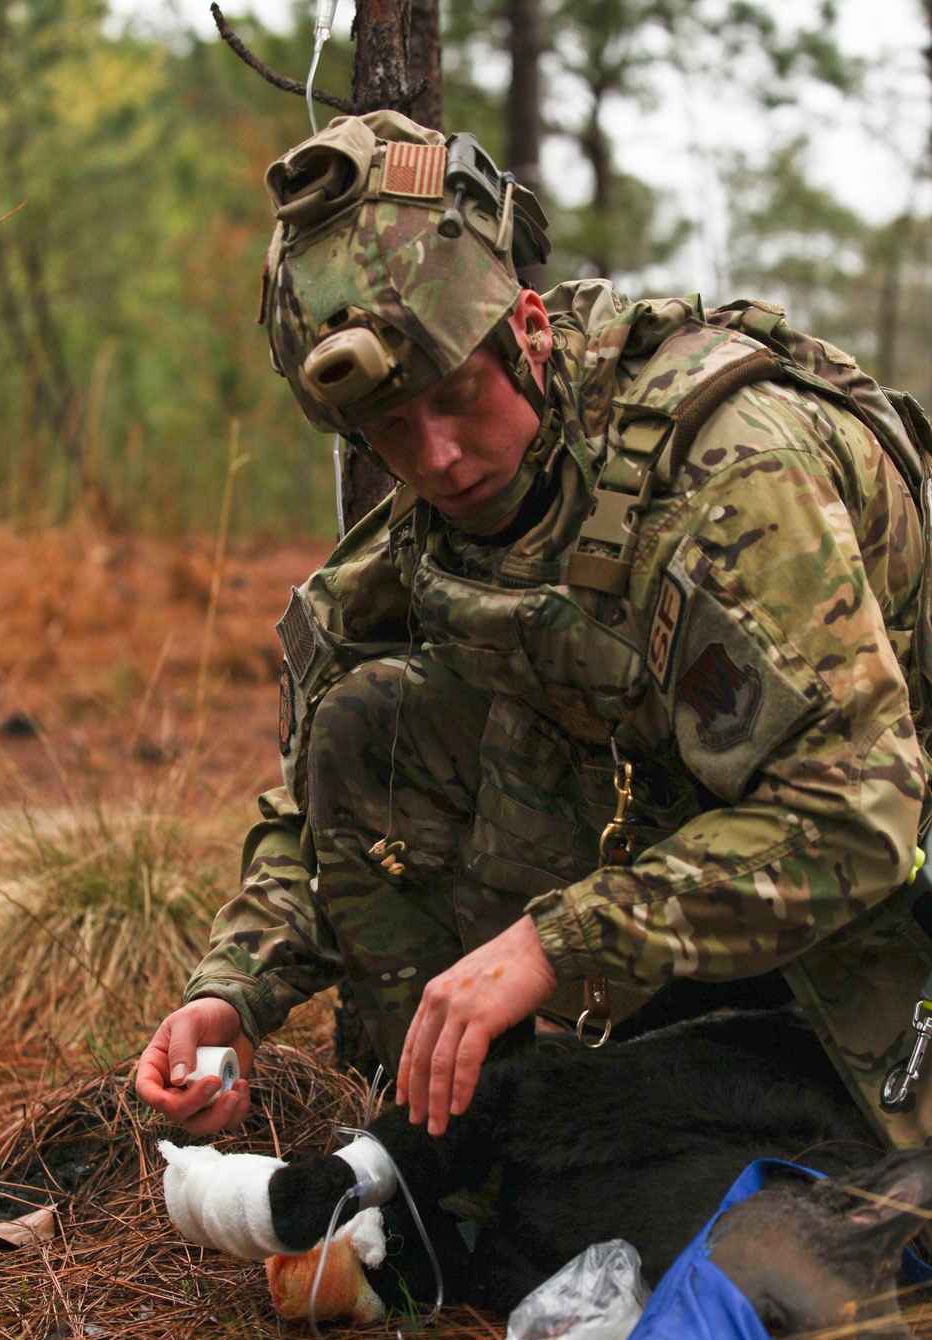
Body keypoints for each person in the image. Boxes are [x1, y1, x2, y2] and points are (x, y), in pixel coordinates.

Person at [137, 110, 932, 1151]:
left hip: (872, 848)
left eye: (457, 398)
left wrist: (558, 946)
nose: (438, 460)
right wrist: (232, 992)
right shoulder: (435, 527)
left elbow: (858, 810)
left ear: (527, 330)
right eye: (388, 432)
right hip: (675, 823)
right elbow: (323, 791)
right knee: (371, 719)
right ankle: (444, 1131)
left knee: (856, 1193)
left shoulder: (729, 476)